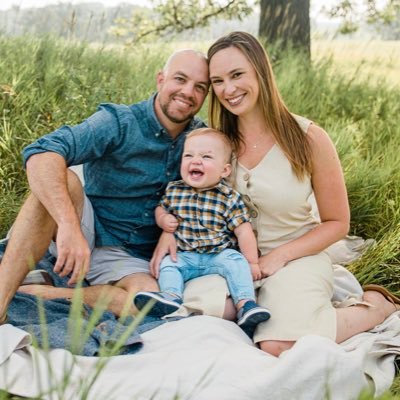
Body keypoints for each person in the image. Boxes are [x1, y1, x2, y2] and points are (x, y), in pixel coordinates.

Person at [203, 31, 400, 356]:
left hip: (297, 257)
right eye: (218, 81)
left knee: (278, 345)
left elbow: (337, 222)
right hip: (233, 261)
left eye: (237, 75)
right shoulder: (216, 143)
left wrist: (280, 256)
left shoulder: (308, 138)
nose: (229, 89)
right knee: (188, 315)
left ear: (260, 71)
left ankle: (376, 308)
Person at [0, 49, 210, 324]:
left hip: (132, 257)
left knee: (148, 303)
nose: (187, 91)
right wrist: (68, 225)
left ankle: (47, 293)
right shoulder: (119, 121)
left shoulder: (201, 139)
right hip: (90, 227)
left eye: (199, 87)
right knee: (63, 177)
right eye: (180, 79)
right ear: (161, 79)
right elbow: (42, 151)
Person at [134, 128, 271, 336]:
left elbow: (244, 232)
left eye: (206, 157)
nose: (195, 161)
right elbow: (161, 208)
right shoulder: (175, 190)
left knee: (236, 261)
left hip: (218, 254)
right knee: (168, 264)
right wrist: (163, 220)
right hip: (185, 255)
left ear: (224, 171)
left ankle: (246, 304)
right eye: (189, 155)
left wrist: (252, 262)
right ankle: (170, 297)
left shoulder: (228, 197)